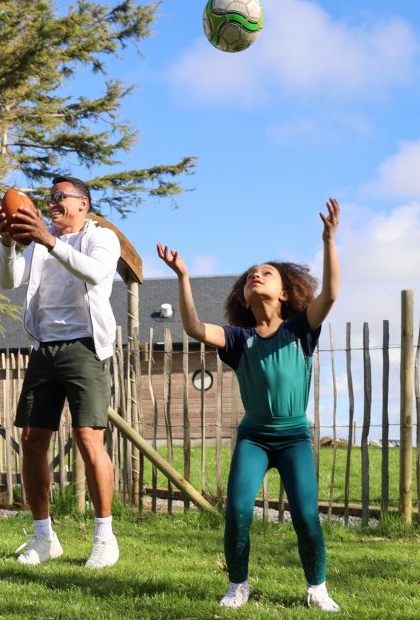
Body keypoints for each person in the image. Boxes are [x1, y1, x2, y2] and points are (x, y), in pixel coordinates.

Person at [157, 199, 341, 613]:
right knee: (238, 510)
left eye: (268, 273)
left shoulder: (300, 329)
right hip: (253, 438)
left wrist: (329, 241)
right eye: (251, 275)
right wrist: (183, 276)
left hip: (294, 436)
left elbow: (330, 293)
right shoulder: (239, 339)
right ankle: (237, 584)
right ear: (244, 294)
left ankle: (317, 587)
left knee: (306, 517)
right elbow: (192, 327)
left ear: (285, 292)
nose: (257, 275)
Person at [0, 175, 121, 568]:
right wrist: (8, 244)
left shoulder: (100, 237)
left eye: (59, 197)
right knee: (32, 439)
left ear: (83, 203)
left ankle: (105, 537)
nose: (51, 204)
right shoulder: (39, 241)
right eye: (48, 198)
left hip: (85, 345)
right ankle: (43, 536)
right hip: (43, 347)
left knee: (88, 438)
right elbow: (7, 281)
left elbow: (96, 273)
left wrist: (47, 241)